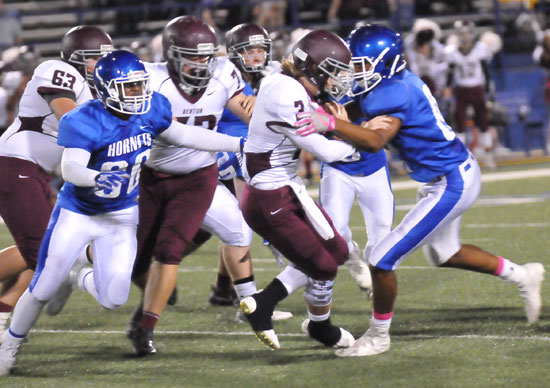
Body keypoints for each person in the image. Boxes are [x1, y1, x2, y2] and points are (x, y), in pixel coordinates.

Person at [294, 24, 545, 357]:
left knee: (381, 259)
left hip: (451, 181)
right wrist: (322, 107)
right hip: (448, 174)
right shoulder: (388, 85)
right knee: (444, 253)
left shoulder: (394, 92)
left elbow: (374, 141)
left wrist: (329, 122)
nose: (353, 72)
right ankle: (522, 275)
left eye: (361, 65)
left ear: (384, 63)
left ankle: (379, 336)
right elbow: (355, 113)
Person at [0, 49, 243, 376]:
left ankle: (74, 275)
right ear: (106, 89)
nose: (138, 93)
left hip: (121, 215)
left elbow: (184, 134)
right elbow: (70, 168)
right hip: (79, 211)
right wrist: (96, 177)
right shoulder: (82, 118)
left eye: (141, 85)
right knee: (43, 285)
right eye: (129, 87)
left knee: (113, 298)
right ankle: (9, 348)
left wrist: (236, 144)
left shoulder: (152, 108)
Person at [238, 29, 389, 350]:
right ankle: (322, 327)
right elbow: (321, 149)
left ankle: (263, 303)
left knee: (337, 250)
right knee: (322, 266)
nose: (338, 81)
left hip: (283, 187)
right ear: (315, 69)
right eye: (334, 72)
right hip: (270, 195)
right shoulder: (286, 93)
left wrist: (337, 125)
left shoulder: (288, 83)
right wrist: (358, 143)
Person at [126, 16, 259, 356]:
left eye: (206, 57)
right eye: (193, 56)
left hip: (199, 176)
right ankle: (148, 289)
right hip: (150, 178)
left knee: (228, 235)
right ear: (171, 54)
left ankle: (146, 325)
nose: (202, 64)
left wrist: (282, 117)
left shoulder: (225, 74)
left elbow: (248, 111)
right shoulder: (150, 80)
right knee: (133, 260)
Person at [0, 25, 114, 341]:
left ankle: (4, 306)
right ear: (76, 59)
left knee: (42, 246)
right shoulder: (58, 71)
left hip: (37, 172)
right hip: (16, 165)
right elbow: (71, 121)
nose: (100, 67)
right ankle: (74, 277)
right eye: (94, 60)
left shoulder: (96, 92)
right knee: (44, 251)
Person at [444, 20, 495, 167]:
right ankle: (460, 158)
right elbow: (450, 75)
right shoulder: (452, 51)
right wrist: (448, 92)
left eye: (467, 32)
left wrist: (490, 92)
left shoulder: (481, 48)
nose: (465, 36)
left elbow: (486, 71)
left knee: (483, 122)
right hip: (461, 90)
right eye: (462, 33)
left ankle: (488, 155)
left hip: (477, 88)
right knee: (459, 123)